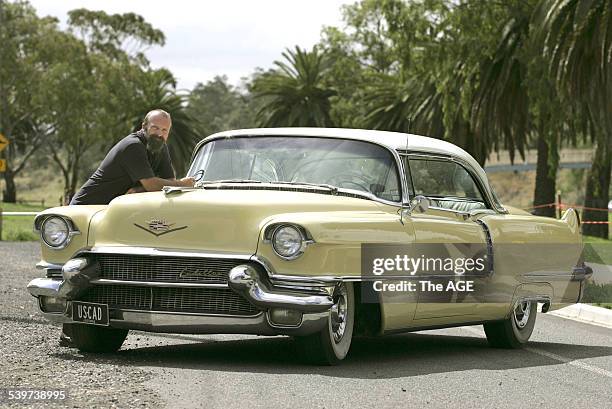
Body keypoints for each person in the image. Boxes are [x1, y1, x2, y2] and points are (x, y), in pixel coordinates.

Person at [61, 109, 195, 346]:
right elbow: (157, 184)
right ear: (143, 126)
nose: (160, 133)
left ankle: (93, 328)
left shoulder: (160, 148)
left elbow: (161, 189)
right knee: (81, 270)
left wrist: (142, 190)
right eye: (155, 128)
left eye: (164, 130)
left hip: (116, 213)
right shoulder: (132, 146)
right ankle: (71, 330)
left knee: (109, 271)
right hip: (88, 210)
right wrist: (181, 184)